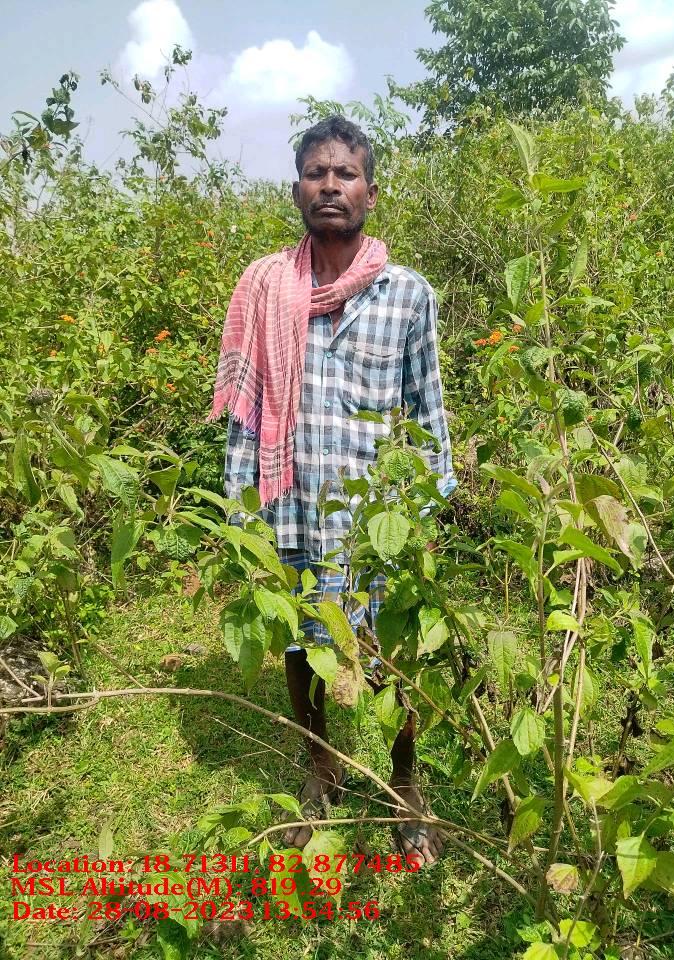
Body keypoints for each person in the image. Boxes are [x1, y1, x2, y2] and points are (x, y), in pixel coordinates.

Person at [210, 116, 455, 866]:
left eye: (345, 173)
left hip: (374, 516)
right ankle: (320, 768)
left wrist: (419, 516)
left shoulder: (407, 295)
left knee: (392, 650)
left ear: (370, 193)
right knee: (298, 638)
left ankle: (404, 782)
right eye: (316, 173)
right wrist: (241, 513)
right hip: (288, 501)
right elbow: (247, 413)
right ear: (296, 191)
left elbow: (428, 416)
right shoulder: (265, 288)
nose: (330, 185)